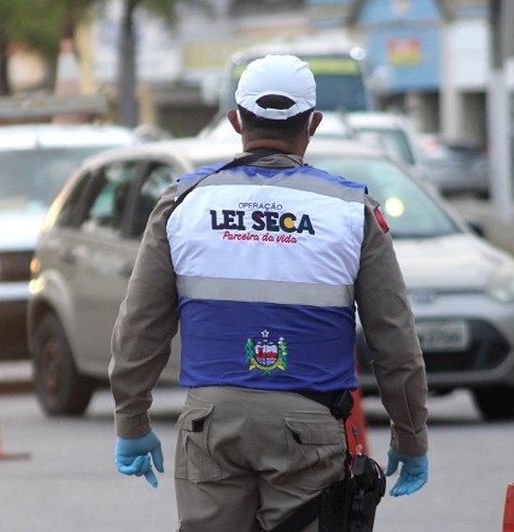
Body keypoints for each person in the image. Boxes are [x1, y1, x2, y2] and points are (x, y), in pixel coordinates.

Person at [110, 54, 429, 531]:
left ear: (236, 121)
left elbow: (139, 326)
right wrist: (410, 435)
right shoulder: (351, 211)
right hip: (311, 426)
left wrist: (132, 421)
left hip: (210, 421)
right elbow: (395, 339)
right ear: (313, 124)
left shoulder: (183, 203)